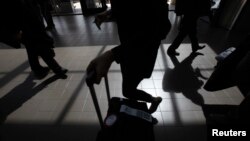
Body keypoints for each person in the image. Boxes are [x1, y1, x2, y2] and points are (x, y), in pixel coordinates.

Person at [87, 0, 171, 113]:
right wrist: (109, 13)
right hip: (128, 52)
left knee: (127, 90)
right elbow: (130, 10)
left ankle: (153, 100)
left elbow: (160, 29)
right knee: (128, 89)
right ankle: (150, 101)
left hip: (142, 55)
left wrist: (112, 55)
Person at [0, 0, 67, 79]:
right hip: (25, 26)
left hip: (28, 25)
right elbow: (6, 13)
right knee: (41, 47)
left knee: (32, 48)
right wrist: (15, 31)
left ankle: (37, 69)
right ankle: (57, 69)